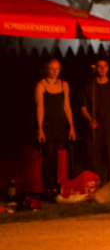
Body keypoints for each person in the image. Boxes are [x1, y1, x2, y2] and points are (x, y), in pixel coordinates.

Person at [81, 59, 110, 184]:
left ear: (108, 68)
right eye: (99, 67)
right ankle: (95, 185)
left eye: (104, 66)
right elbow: (83, 107)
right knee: (94, 159)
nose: (102, 69)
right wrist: (90, 119)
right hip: (95, 129)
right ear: (96, 69)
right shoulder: (89, 87)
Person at [34, 59, 76, 192]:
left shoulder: (64, 85)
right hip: (48, 124)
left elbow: (67, 106)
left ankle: (60, 186)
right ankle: (48, 186)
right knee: (49, 156)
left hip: (61, 124)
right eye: (52, 68)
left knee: (61, 156)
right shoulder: (41, 85)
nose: (55, 72)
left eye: (57, 69)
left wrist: (72, 126)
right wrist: (40, 129)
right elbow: (40, 108)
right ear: (47, 69)